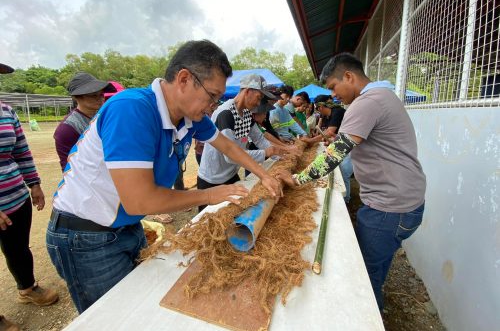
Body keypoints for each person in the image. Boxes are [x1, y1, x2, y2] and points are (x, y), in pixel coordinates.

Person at [46, 40, 282, 313]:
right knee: (115, 317)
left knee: (140, 307)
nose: (213, 106)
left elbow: (227, 145)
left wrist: (264, 175)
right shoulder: (132, 109)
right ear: (184, 79)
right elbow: (140, 201)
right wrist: (209, 194)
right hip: (85, 235)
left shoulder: (191, 117)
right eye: (212, 96)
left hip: (126, 226)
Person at [278, 53, 426, 311]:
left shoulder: (367, 102)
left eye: (334, 87)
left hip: (388, 207)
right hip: (402, 202)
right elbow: (346, 143)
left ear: (349, 76)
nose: (333, 95)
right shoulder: (383, 97)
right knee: (375, 267)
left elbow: (337, 154)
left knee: (365, 282)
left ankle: (369, 315)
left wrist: (297, 179)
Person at [0, 63, 58, 330]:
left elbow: (21, 151)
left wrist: (34, 184)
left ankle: (27, 288)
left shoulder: (6, 111)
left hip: (15, 198)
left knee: (18, 249)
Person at [197, 74, 287, 211]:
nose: (258, 103)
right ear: (247, 91)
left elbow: (259, 138)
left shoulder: (246, 115)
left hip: (231, 175)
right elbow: (230, 156)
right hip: (212, 180)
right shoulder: (225, 114)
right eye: (258, 98)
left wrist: (276, 155)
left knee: (240, 211)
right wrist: (265, 153)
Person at [53, 72, 116, 171]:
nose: (100, 98)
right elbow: (70, 167)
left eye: (101, 94)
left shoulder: (103, 117)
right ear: (77, 97)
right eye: (93, 95)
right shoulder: (67, 129)